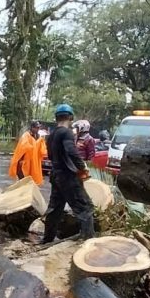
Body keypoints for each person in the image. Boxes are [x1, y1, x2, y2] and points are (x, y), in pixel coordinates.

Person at [42, 104, 95, 243]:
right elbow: (71, 151)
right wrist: (82, 167)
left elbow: (50, 155)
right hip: (68, 176)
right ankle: (88, 241)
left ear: (56, 118)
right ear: (71, 117)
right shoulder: (67, 133)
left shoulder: (51, 135)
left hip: (56, 174)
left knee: (55, 209)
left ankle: (47, 239)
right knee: (85, 208)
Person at [8, 121, 45, 185]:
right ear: (32, 128)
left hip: (33, 164)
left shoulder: (37, 137)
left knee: (31, 183)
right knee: (24, 183)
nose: (37, 129)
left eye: (38, 128)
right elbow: (22, 149)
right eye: (36, 128)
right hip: (23, 165)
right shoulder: (26, 136)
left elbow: (41, 150)